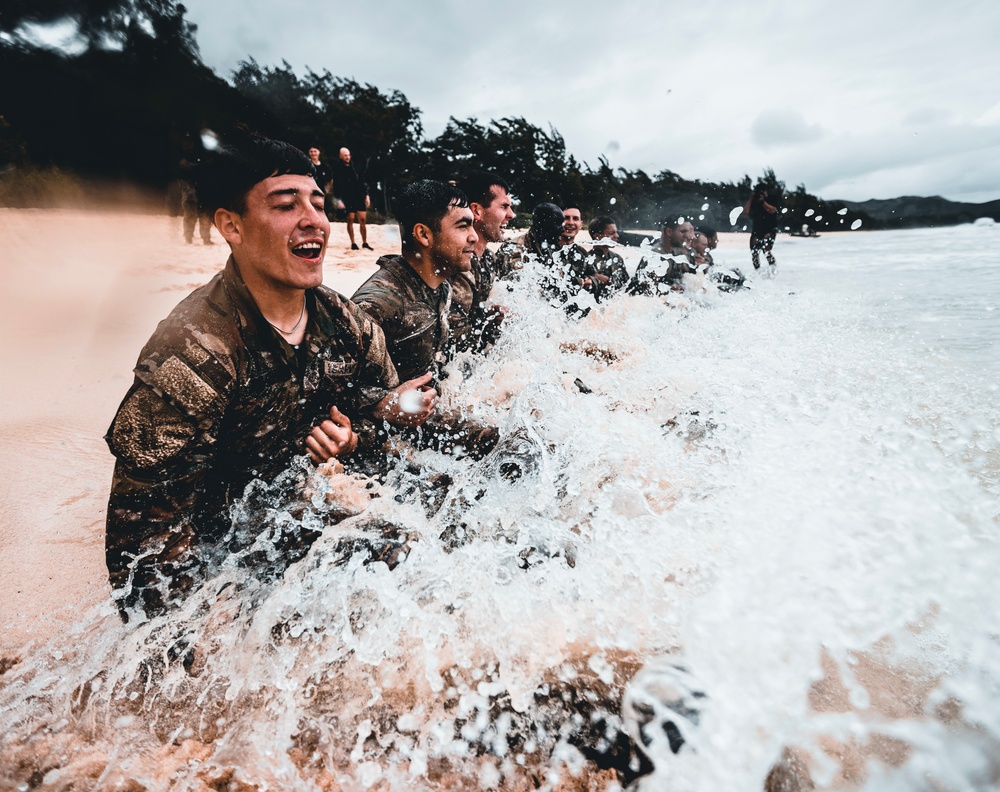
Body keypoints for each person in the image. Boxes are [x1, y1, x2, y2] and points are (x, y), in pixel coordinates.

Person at [104, 133, 435, 621]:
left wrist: (360, 430)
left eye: (319, 204)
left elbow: (374, 418)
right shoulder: (193, 354)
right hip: (228, 561)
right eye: (286, 205)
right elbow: (141, 548)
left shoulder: (346, 323)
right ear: (231, 226)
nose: (314, 220)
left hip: (311, 508)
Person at [351, 180, 499, 457]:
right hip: (385, 443)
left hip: (426, 422)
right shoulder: (377, 304)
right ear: (423, 234)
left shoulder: (441, 285)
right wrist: (383, 405)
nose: (474, 237)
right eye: (462, 226)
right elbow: (330, 394)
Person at [449, 171, 515, 353]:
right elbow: (455, 343)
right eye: (504, 207)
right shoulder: (456, 263)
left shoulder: (487, 258)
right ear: (476, 211)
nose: (512, 215)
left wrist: (491, 315)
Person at [333, 147, 372, 251]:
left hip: (359, 195)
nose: (347, 157)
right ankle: (353, 243)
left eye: (348, 155)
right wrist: (338, 200)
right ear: (341, 156)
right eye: (345, 155)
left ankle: (365, 242)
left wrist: (366, 195)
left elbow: (362, 181)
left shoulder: (354, 166)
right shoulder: (337, 168)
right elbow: (336, 185)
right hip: (347, 197)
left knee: (363, 220)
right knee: (350, 219)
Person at [178, 133, 213, 245]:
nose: (188, 144)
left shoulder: (198, 154)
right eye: (186, 141)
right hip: (189, 186)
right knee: (190, 212)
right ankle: (189, 237)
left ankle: (205, 238)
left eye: (190, 142)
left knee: (204, 212)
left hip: (200, 185)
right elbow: (185, 165)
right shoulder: (180, 154)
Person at [586, 215, 629, 294]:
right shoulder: (587, 260)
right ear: (597, 236)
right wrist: (593, 278)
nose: (617, 236)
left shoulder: (617, 258)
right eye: (611, 233)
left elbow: (627, 286)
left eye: (616, 232)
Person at [744, 183, 780, 273]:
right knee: (754, 252)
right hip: (757, 229)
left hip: (769, 229)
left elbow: (772, 210)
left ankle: (773, 269)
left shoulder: (771, 198)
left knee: (766, 250)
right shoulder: (753, 201)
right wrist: (751, 199)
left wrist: (763, 201)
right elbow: (745, 213)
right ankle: (758, 272)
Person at [307, 145, 333, 219]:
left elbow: (330, 180)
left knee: (323, 213)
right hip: (309, 194)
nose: (313, 153)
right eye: (311, 151)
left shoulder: (325, 167)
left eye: (315, 151)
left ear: (319, 152)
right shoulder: (307, 166)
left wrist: (327, 190)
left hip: (322, 194)